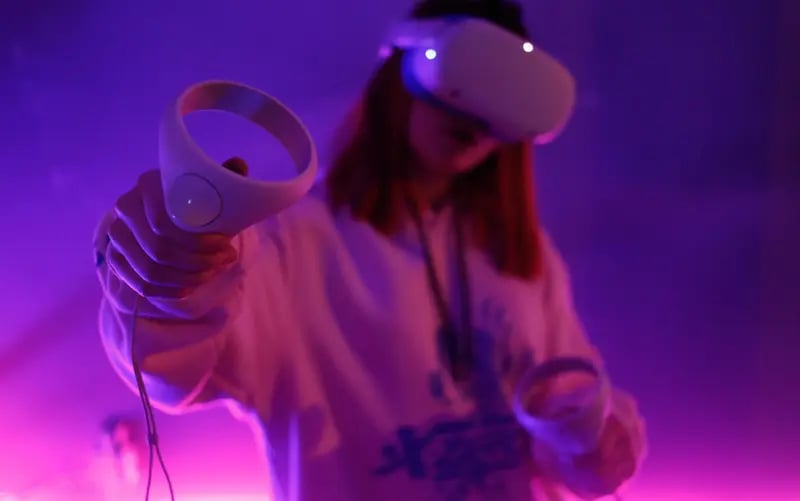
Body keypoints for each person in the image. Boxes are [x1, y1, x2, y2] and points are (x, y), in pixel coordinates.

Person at [93, 0, 647, 499]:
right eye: (468, 73)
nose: (476, 121)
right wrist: (173, 278)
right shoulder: (295, 244)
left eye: (506, 97)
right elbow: (173, 367)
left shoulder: (523, 257)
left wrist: (591, 444)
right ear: (401, 71)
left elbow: (566, 408)